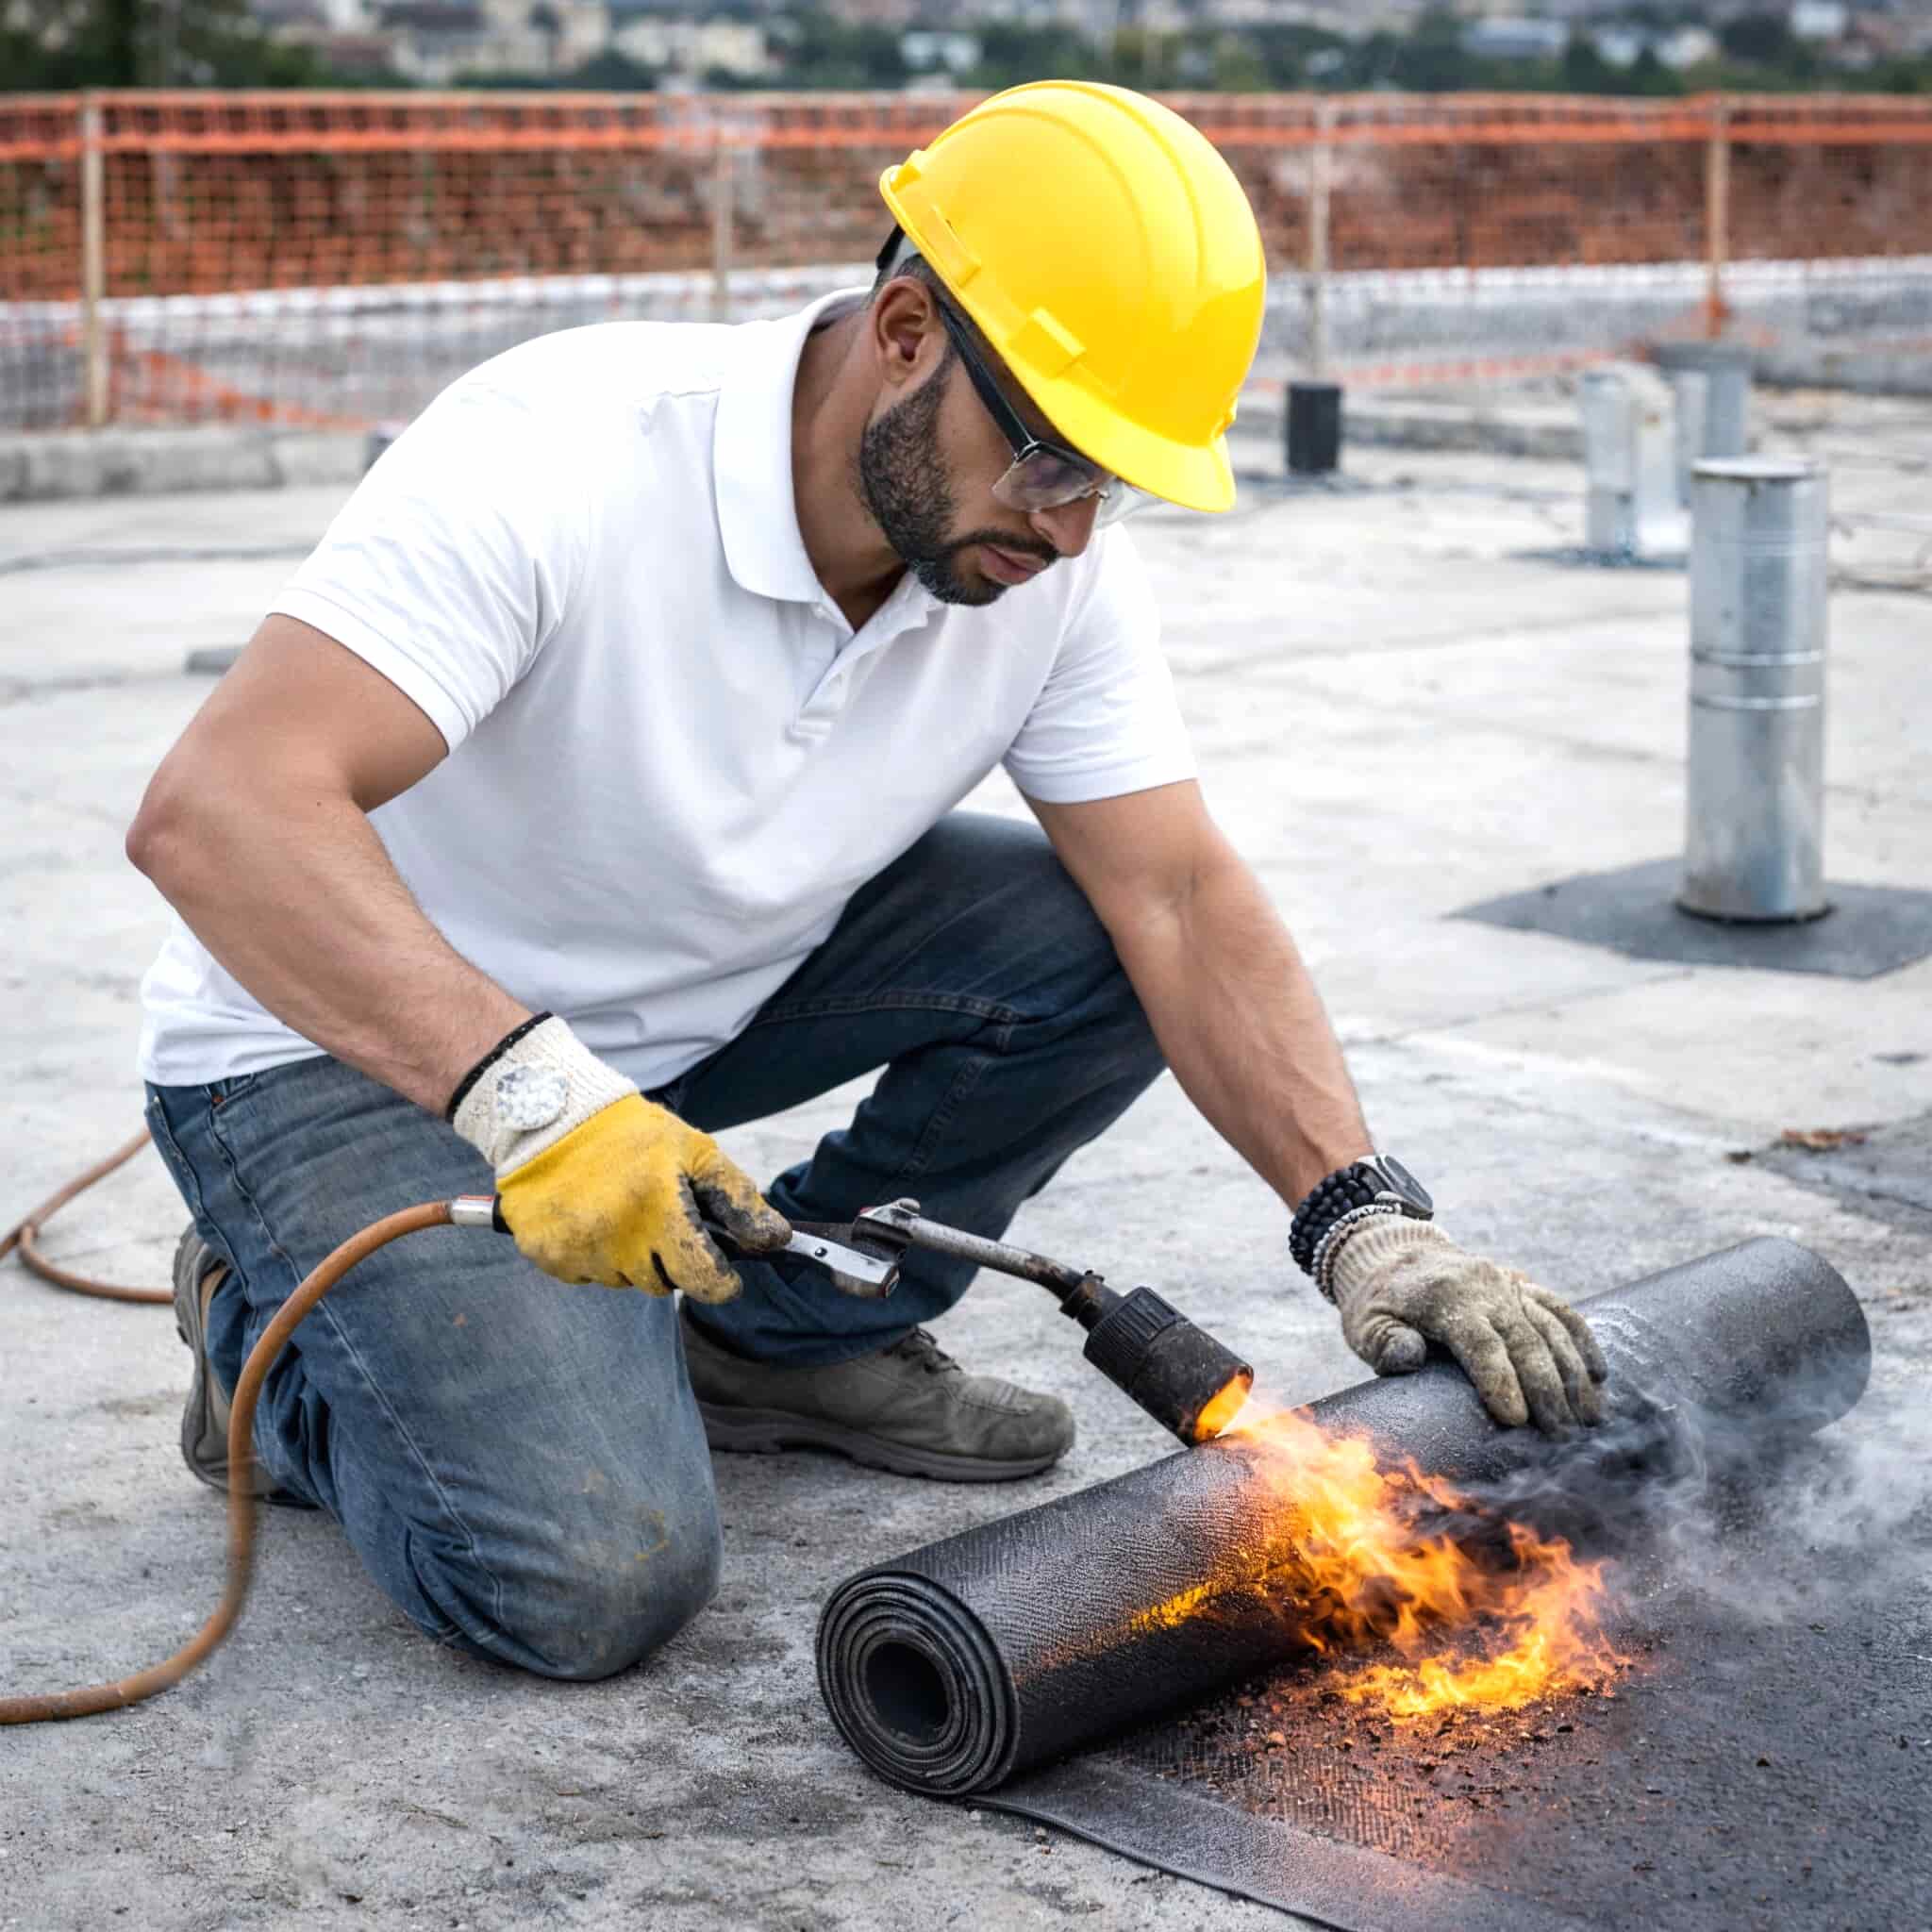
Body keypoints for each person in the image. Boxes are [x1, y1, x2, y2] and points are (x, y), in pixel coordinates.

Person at [127, 82, 1606, 1683]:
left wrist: (1364, 1222)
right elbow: (220, 815)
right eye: (1050, 458)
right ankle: (266, 1339)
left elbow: (1176, 899)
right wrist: (534, 1105)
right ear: (907, 330)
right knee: (582, 1578)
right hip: (343, 1044)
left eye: (1115, 477)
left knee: (1096, 936)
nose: (1075, 523)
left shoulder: (1041, 562)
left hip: (680, 1016)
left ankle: (775, 1352)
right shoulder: (566, 456)